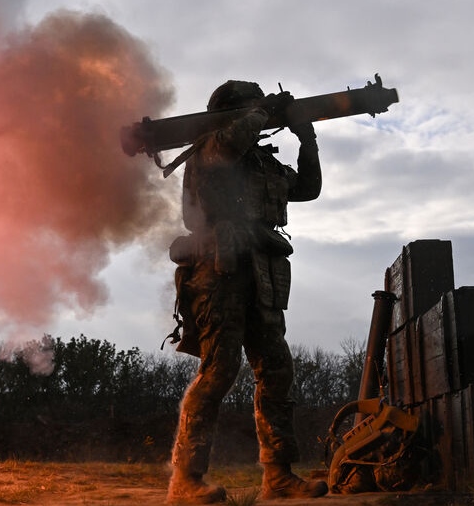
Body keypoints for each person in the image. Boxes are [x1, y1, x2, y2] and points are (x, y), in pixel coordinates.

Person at [165, 80, 328, 503]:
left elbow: (308, 187)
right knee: (218, 371)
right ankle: (185, 479)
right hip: (217, 272)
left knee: (276, 370)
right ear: (233, 114)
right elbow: (231, 142)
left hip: (261, 274)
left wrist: (305, 134)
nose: (261, 114)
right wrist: (263, 112)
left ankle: (278, 476)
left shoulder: (260, 162)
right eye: (252, 109)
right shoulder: (211, 148)